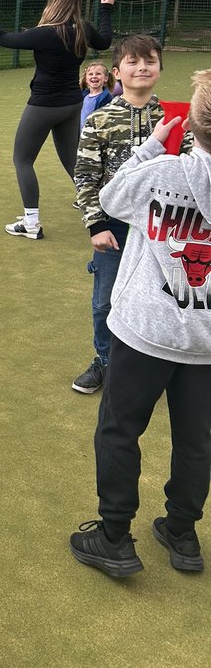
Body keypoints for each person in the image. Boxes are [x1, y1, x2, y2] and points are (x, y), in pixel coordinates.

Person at [70, 70, 211, 577]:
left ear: (192, 120)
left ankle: (114, 537)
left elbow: (108, 198)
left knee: (119, 430)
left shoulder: (164, 169)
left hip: (146, 330)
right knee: (197, 439)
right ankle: (182, 531)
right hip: (205, 339)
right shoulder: (173, 169)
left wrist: (150, 146)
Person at [72, 36, 192, 394]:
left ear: (159, 68)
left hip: (164, 227)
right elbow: (85, 174)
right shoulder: (101, 118)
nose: (142, 67)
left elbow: (189, 167)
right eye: (133, 62)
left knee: (166, 296)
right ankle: (106, 361)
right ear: (116, 72)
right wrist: (95, 224)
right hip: (114, 228)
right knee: (105, 299)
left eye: (150, 61)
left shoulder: (174, 117)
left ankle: (158, 366)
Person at [0, 0, 113, 239]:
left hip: (44, 105)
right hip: (72, 104)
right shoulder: (82, 29)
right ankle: (100, 209)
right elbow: (105, 41)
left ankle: (31, 223)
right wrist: (106, 9)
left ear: (54, 0)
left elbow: (0, 38)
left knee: (23, 160)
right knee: (72, 160)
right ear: (76, 2)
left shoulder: (46, 33)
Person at [79, 61, 115, 130]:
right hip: (81, 135)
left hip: (96, 135)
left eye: (98, 74)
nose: (94, 76)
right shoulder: (83, 95)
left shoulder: (107, 98)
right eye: (90, 74)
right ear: (86, 79)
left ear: (106, 78)